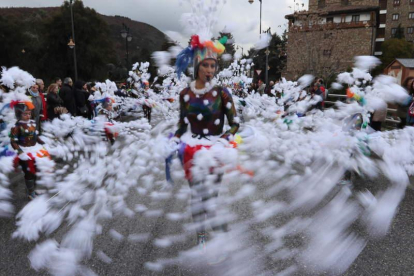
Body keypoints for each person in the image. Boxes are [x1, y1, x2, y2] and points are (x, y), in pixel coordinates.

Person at [173, 34, 240, 248]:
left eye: (213, 65)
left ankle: (214, 227)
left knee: (211, 194)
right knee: (197, 194)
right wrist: (173, 140)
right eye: (206, 65)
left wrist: (227, 136)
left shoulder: (222, 94)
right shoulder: (185, 94)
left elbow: (235, 122)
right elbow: (182, 125)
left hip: (215, 150)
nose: (210, 70)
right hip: (193, 151)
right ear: (197, 66)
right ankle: (201, 234)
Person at [10, 102, 47, 200]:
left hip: (34, 150)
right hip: (24, 152)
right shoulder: (16, 127)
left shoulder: (32, 123)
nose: (28, 116)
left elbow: (35, 136)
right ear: (19, 114)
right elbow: (13, 141)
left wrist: (42, 142)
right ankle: (30, 193)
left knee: (35, 170)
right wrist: (20, 152)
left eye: (29, 113)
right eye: (25, 114)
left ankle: (33, 189)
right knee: (29, 172)